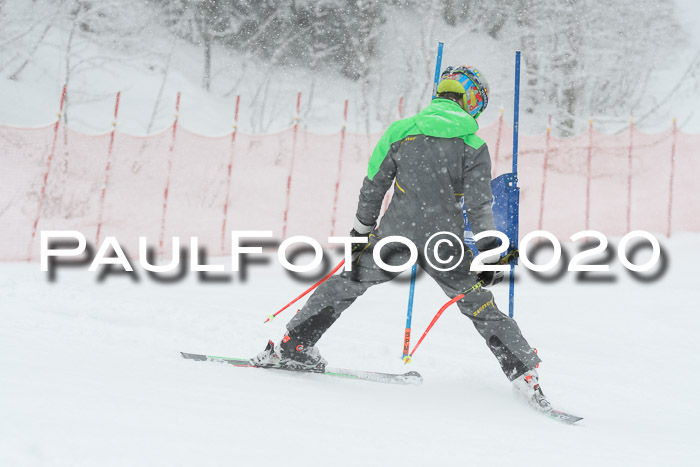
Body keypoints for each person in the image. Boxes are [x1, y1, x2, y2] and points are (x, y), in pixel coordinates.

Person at [253, 65, 551, 412]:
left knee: (347, 283)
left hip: (395, 236)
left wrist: (360, 233)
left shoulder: (400, 131)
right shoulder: (472, 144)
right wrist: (488, 253)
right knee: (481, 306)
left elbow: (373, 186)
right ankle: (525, 376)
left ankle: (294, 346)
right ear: (471, 100)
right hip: (445, 244)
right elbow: (479, 205)